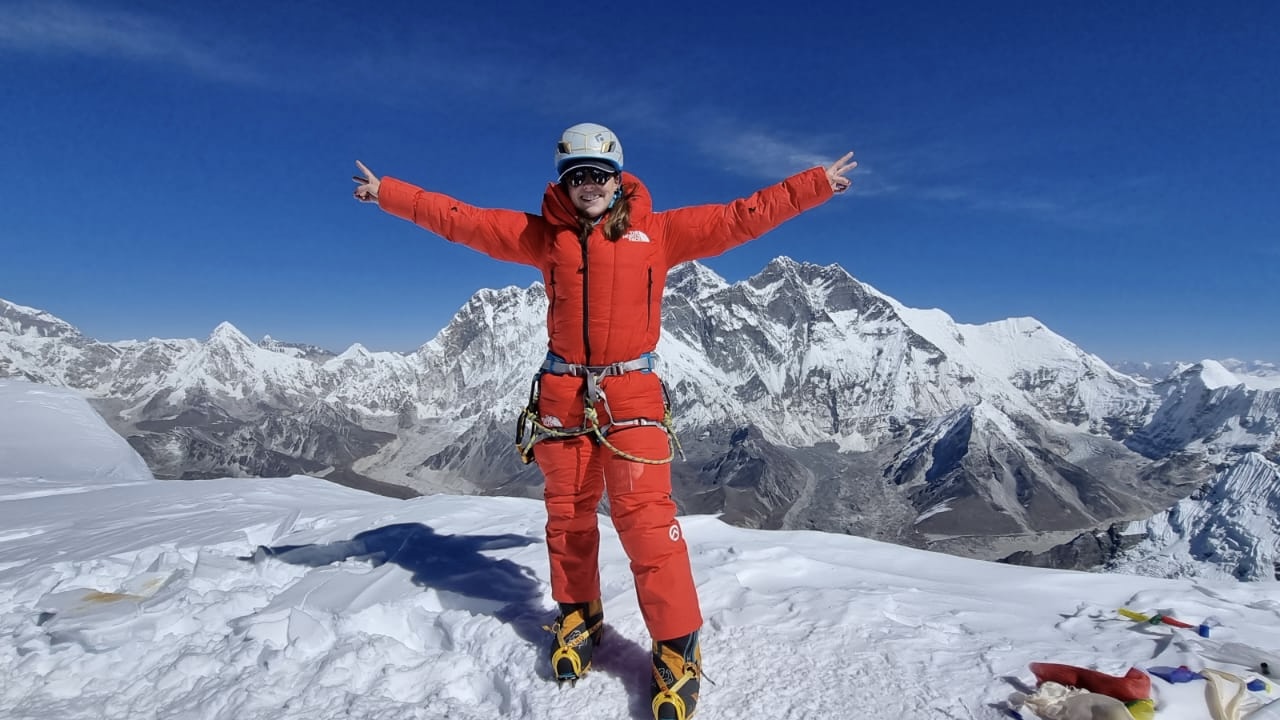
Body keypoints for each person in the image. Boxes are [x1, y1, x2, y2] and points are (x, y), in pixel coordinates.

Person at [353, 122, 855, 720]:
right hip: (563, 393)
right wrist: (390, 194)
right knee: (567, 517)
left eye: (598, 174)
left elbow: (738, 216)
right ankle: (579, 615)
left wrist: (813, 186)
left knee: (646, 522)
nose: (588, 186)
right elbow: (464, 219)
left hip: (631, 392)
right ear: (563, 183)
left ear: (618, 178)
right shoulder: (543, 238)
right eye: (576, 176)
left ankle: (677, 647)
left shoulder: (659, 234)